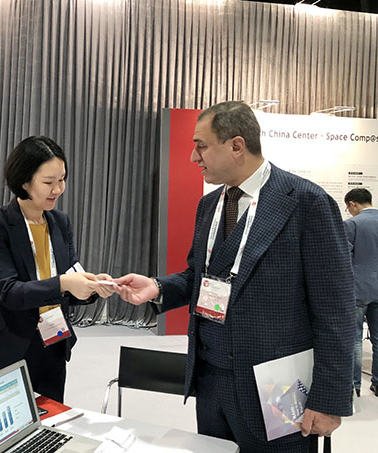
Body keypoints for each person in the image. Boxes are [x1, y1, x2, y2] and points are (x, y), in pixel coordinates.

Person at [114, 101, 354, 452]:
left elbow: (336, 310)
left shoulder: (306, 203)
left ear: (236, 145)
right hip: (211, 380)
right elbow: (199, 277)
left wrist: (329, 400)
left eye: (201, 146)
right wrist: (157, 287)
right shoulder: (209, 205)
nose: (194, 157)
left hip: (278, 384)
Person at [0, 136, 114, 403]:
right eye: (48, 182)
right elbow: (9, 292)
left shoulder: (60, 222)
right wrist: (64, 283)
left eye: (62, 179)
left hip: (53, 343)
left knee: (51, 422)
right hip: (6, 347)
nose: (57, 189)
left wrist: (91, 286)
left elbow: (69, 279)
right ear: (24, 181)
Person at [344, 188, 378, 398]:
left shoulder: (352, 224)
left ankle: (354, 386)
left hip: (357, 289)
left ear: (353, 203)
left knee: (355, 339)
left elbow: (344, 259)